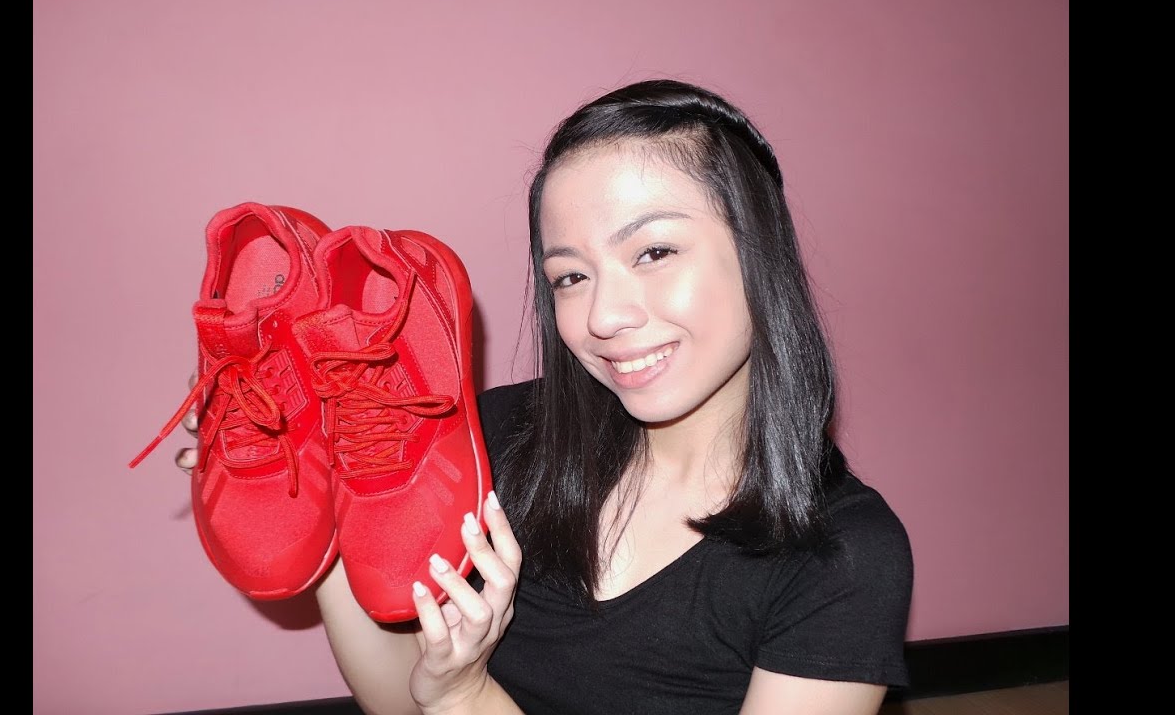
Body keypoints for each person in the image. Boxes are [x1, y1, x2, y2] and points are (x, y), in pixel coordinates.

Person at [175, 78, 913, 715]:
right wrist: (329, 496)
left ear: (761, 252)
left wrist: (468, 695)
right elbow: (403, 703)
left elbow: (451, 703)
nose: (604, 316)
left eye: (654, 252)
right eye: (571, 276)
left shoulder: (846, 555)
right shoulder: (494, 440)